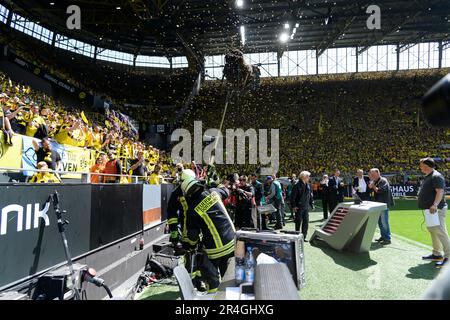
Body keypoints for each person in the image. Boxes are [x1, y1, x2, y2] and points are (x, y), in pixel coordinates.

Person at [181, 175, 235, 293]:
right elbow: (226, 191)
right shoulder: (214, 192)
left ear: (188, 194)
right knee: (230, 278)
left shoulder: (192, 211)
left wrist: (191, 244)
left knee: (212, 279)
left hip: (215, 251)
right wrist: (218, 185)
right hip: (232, 241)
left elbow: (193, 237)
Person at [418, 158, 449, 268]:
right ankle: (436, 254)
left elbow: (440, 191)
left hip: (436, 209)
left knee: (440, 232)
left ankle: (448, 257)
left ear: (426, 165)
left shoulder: (436, 176)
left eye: (421, 165)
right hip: (430, 210)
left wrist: (435, 204)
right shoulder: (429, 176)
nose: (420, 167)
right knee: (433, 231)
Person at [369, 168, 394, 245]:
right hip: (378, 205)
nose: (371, 176)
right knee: (380, 222)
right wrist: (371, 186)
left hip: (383, 204)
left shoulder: (383, 180)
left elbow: (379, 190)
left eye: (373, 174)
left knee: (384, 222)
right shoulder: (375, 181)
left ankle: (387, 238)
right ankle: (383, 236)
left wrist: (373, 186)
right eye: (371, 174)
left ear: (377, 173)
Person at [291, 171, 314, 241]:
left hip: (306, 207)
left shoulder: (308, 185)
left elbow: (310, 195)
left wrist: (311, 203)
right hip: (299, 207)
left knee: (306, 222)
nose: (309, 178)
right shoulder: (297, 185)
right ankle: (297, 236)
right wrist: (294, 206)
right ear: (303, 177)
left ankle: (304, 237)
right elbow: (292, 197)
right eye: (308, 176)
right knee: (298, 222)